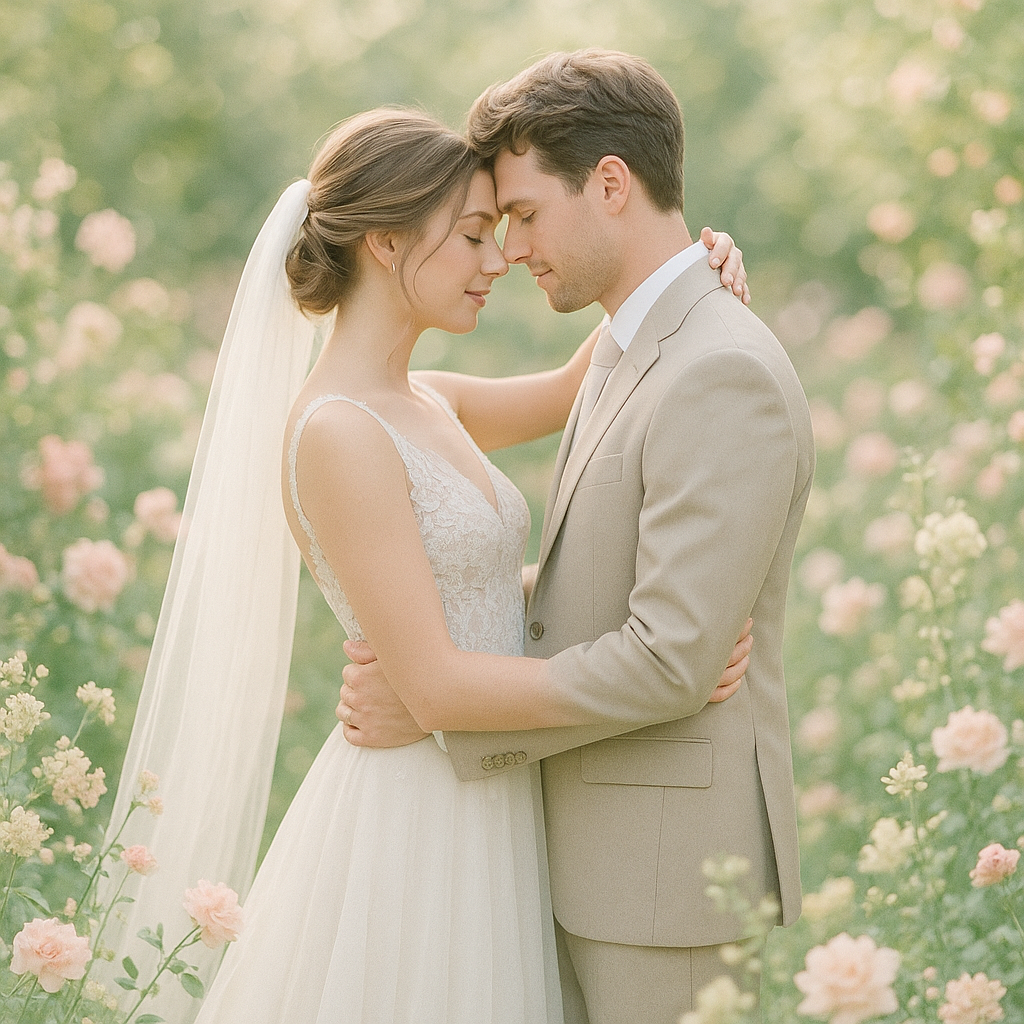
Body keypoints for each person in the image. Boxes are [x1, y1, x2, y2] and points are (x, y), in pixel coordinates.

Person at [99, 106, 750, 1024]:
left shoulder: (429, 400)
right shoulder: (339, 433)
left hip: (493, 787)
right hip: (419, 811)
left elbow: (576, 385)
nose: (500, 259)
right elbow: (436, 686)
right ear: (387, 241)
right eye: (475, 235)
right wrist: (659, 675)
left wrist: (693, 270)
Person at [338, 49, 815, 1024]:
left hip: (664, 883)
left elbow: (672, 662)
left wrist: (442, 710)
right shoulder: (632, 343)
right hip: (579, 858)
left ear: (609, 184)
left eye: (522, 214)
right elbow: (591, 584)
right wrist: (428, 660)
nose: (509, 250)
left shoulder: (717, 370)